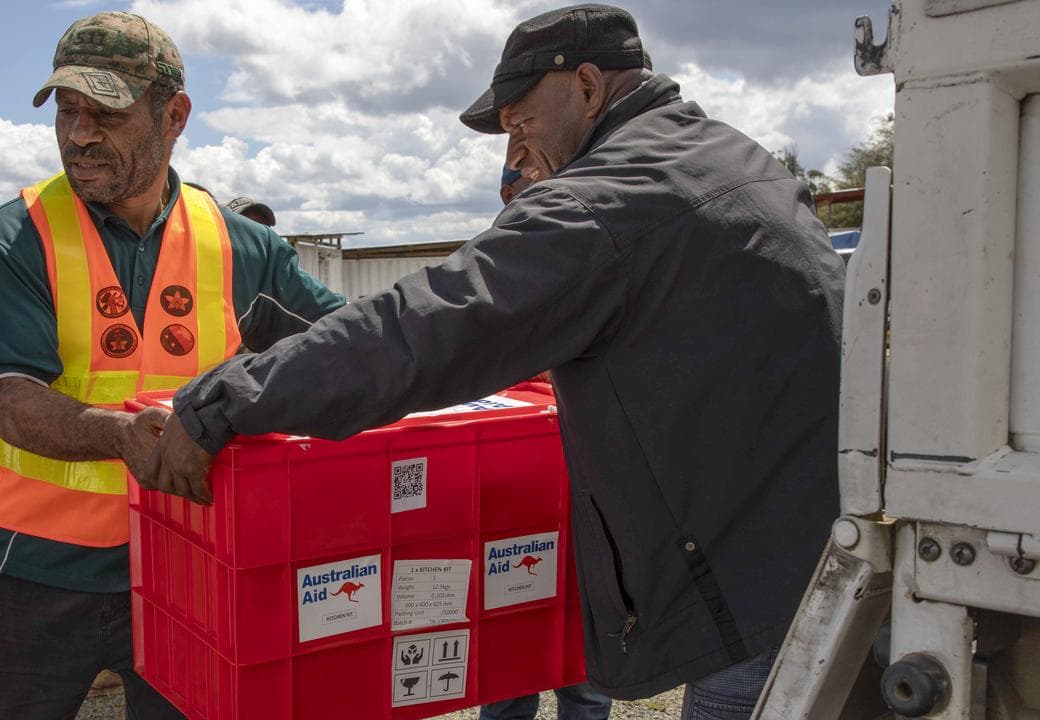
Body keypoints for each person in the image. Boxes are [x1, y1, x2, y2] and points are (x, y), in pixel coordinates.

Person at [143, 4, 844, 720]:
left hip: (758, 589)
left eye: (519, 124)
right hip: (832, 552)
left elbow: (424, 326)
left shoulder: (602, 204)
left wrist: (223, 401)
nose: (517, 154)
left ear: (590, 87)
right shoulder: (738, 157)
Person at [0, 12, 344, 719]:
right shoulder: (9, 241)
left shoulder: (240, 245)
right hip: (36, 568)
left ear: (175, 115)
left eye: (106, 113)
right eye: (66, 110)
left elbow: (353, 343)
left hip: (190, 561)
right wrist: (120, 435)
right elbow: (11, 402)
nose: (79, 134)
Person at [481, 164, 611, 720]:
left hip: (583, 492)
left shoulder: (592, 238)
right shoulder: (500, 257)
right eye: (524, 184)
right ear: (509, 194)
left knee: (580, 662)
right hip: (515, 490)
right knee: (511, 652)